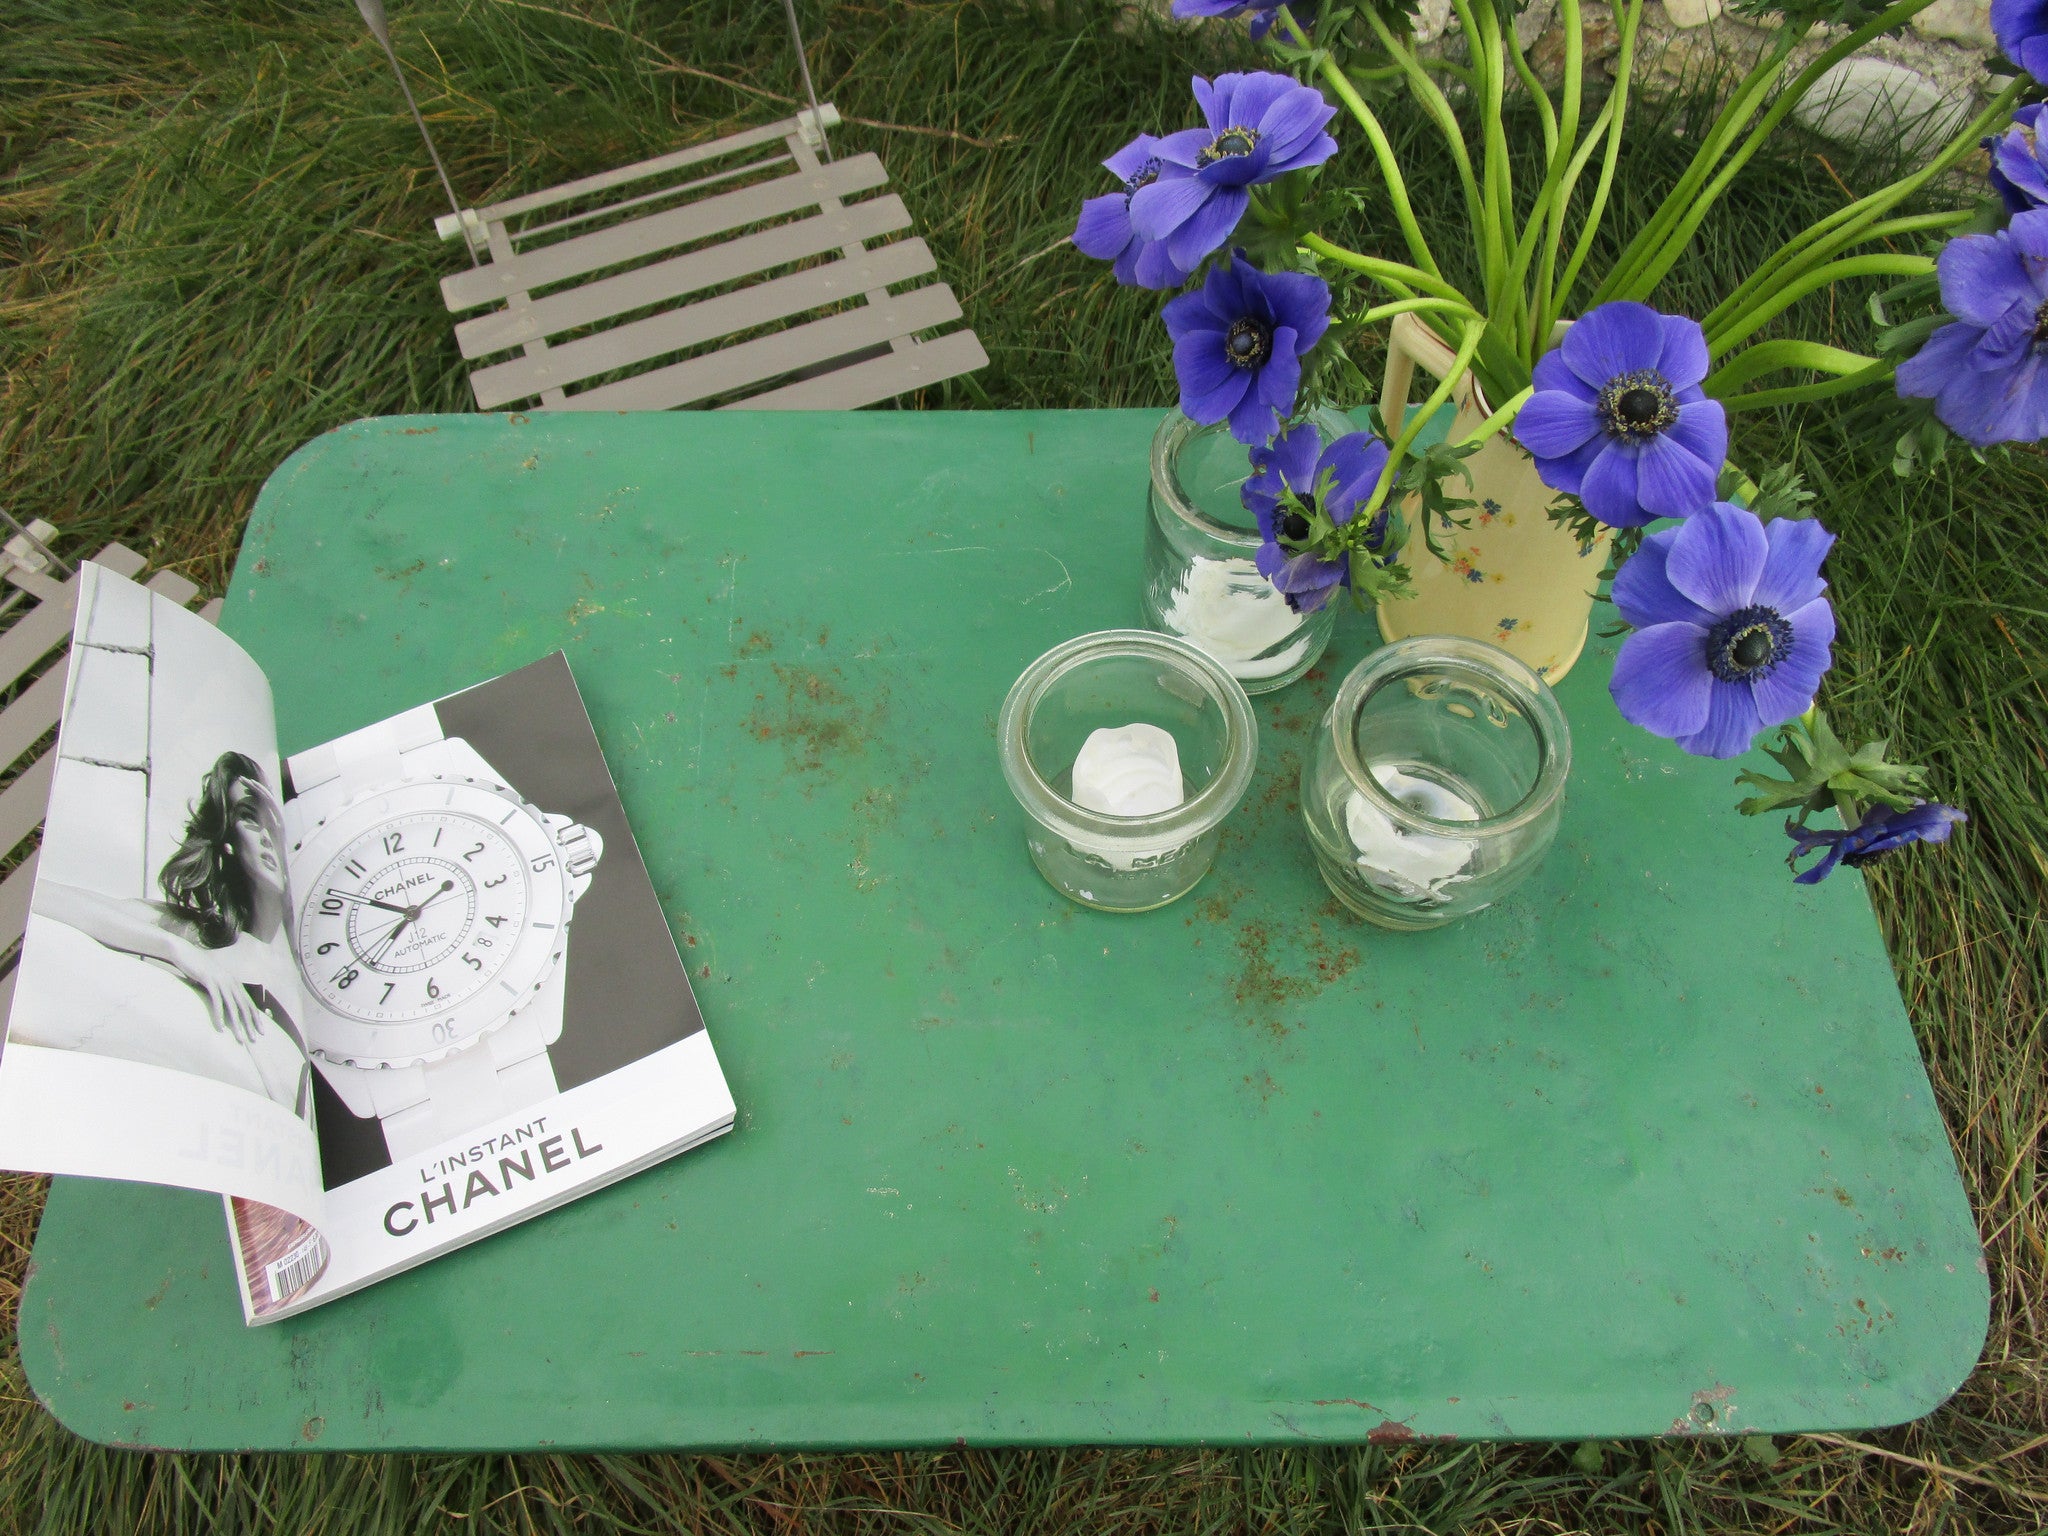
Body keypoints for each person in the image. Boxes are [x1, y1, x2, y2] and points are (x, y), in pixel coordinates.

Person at [23, 751, 312, 1118]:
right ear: (229, 841)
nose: (270, 835)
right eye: (251, 817)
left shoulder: (314, 945)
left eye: (277, 820)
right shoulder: (196, 932)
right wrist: (176, 948)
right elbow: (38, 898)